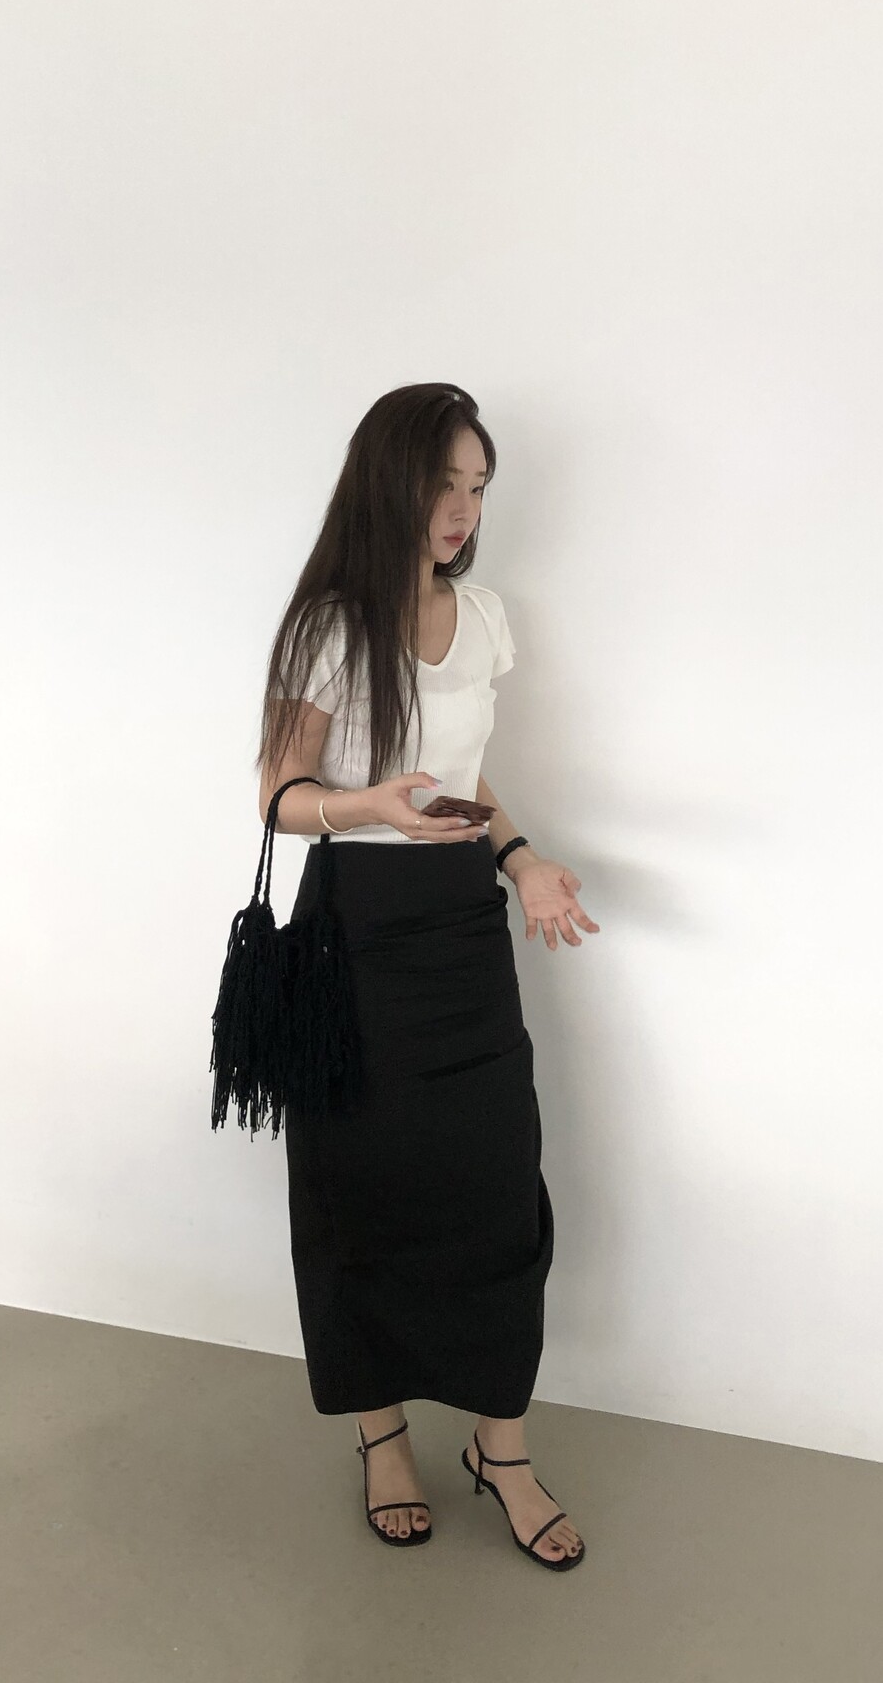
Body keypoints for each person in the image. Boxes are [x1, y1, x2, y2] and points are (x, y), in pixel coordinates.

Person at [256, 383, 599, 1568]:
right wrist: (372, 807)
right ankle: (383, 1433)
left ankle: (502, 1449)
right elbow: (279, 796)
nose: (462, 508)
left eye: (478, 486)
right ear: (386, 480)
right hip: (352, 931)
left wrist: (524, 857)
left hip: (462, 927)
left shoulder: (486, 616)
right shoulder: (328, 625)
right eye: (443, 481)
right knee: (360, 1193)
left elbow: (466, 773)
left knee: (497, 1189)